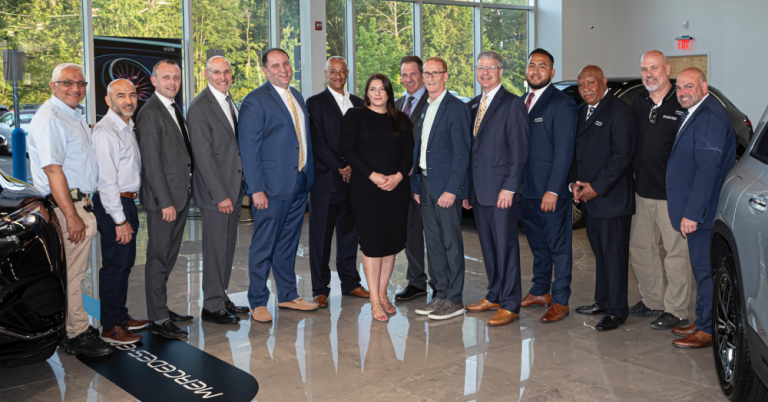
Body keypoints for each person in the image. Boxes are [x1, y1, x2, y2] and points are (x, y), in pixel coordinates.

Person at [28, 63, 113, 357]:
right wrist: (72, 215)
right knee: (74, 275)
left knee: (75, 272)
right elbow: (53, 171)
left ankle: (72, 326)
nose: (75, 88)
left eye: (81, 83)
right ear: (53, 86)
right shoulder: (51, 119)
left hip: (79, 203)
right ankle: (77, 335)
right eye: (67, 82)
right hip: (68, 207)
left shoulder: (70, 116)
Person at [239, 48, 318, 323]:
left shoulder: (296, 96)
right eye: (276, 65)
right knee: (264, 245)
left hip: (298, 183)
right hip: (270, 188)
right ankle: (257, 301)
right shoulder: (255, 101)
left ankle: (287, 295)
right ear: (265, 70)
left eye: (285, 63)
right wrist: (256, 189)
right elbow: (249, 150)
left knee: (288, 244)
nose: (283, 69)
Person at [667, 67, 735, 349]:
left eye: (689, 87)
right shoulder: (697, 112)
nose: (682, 92)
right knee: (701, 269)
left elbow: (707, 172)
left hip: (703, 213)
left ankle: (707, 329)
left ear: (704, 87)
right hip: (699, 211)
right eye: (679, 87)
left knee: (706, 271)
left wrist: (693, 213)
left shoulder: (709, 118)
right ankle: (702, 318)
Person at [463, 51, 530, 327]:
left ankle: (511, 304)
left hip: (502, 191)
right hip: (479, 191)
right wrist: (468, 190)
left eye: (491, 68)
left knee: (506, 247)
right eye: (481, 68)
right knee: (488, 247)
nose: (485, 73)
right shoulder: (473, 104)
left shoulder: (513, 104)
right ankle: (494, 293)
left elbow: (520, 150)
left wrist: (510, 187)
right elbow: (472, 152)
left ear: (501, 71)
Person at [340, 73, 414, 322]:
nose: (378, 93)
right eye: (373, 89)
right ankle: (374, 300)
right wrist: (372, 176)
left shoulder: (401, 120)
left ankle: (383, 295)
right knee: (372, 243)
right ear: (367, 93)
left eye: (382, 89)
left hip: (396, 190)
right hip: (366, 189)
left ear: (389, 92)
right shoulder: (355, 117)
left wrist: (398, 177)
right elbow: (348, 150)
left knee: (391, 243)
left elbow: (408, 154)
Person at [628, 50, 692, 330]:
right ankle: (652, 300)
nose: (649, 73)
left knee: (676, 255)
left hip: (672, 197)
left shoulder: (682, 101)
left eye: (654, 67)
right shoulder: (638, 102)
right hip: (641, 192)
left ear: (667, 68)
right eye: (644, 68)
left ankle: (676, 310)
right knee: (641, 249)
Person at [570, 65, 637, 331]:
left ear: (603, 82)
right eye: (582, 85)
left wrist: (596, 187)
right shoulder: (580, 112)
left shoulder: (621, 112)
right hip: (589, 198)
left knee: (614, 256)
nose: (586, 89)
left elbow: (622, 157)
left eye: (591, 83)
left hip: (611, 199)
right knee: (600, 253)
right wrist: (574, 183)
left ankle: (617, 310)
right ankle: (603, 300)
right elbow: (577, 152)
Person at [187, 56, 250, 325]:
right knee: (215, 249)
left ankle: (221, 297)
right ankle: (212, 306)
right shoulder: (200, 107)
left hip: (233, 190)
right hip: (218, 195)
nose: (222, 76)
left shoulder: (229, 100)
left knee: (226, 248)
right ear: (206, 74)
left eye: (226, 71)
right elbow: (203, 157)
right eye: (216, 72)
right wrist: (220, 194)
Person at [518, 48, 578, 323]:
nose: (536, 70)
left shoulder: (562, 104)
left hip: (549, 192)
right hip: (525, 191)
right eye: (532, 65)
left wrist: (553, 190)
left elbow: (564, 152)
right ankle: (540, 290)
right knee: (538, 245)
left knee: (558, 246)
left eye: (542, 66)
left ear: (552, 73)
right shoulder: (521, 103)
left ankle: (561, 300)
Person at [136, 59, 195, 339]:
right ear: (154, 79)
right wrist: (165, 202)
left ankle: (161, 308)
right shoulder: (150, 113)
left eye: (176, 77)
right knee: (159, 258)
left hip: (179, 196)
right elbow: (152, 163)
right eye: (166, 77)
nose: (172, 82)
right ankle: (158, 320)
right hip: (165, 201)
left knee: (169, 257)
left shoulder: (173, 108)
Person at [306, 56, 369, 308]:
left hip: (354, 181)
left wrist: (354, 165)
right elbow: (317, 141)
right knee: (321, 236)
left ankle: (351, 283)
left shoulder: (357, 103)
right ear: (326, 73)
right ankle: (320, 289)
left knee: (349, 234)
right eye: (333, 71)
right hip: (325, 181)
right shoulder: (315, 103)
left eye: (342, 72)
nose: (338, 75)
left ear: (348, 73)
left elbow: (364, 139)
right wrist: (341, 164)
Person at [411, 57, 471, 321]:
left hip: (445, 188)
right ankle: (440, 295)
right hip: (424, 185)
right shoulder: (426, 106)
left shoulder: (456, 108)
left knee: (451, 244)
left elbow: (461, 153)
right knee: (433, 245)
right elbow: (420, 148)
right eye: (427, 73)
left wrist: (453, 189)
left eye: (436, 73)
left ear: (446, 76)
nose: (431, 78)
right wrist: (416, 184)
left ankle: (455, 300)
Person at [92, 79, 148, 345]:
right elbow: (107, 182)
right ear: (108, 101)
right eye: (120, 96)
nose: (128, 100)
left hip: (126, 203)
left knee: (124, 264)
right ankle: (111, 327)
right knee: (114, 266)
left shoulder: (127, 127)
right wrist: (120, 220)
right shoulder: (106, 133)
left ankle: (120, 316)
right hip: (113, 205)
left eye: (132, 95)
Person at [394, 55, 435, 302]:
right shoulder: (396, 104)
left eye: (413, 74)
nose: (408, 79)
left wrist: (413, 166)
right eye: (404, 75)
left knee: (433, 233)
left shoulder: (433, 102)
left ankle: (440, 283)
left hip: (425, 179)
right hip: (402, 182)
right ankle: (416, 282)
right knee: (411, 234)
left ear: (422, 75)